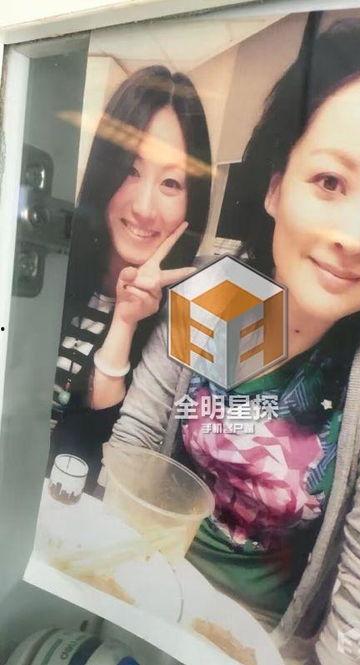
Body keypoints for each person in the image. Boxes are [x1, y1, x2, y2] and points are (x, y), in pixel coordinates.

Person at [104, 9, 360, 665]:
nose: (355, 237)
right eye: (330, 182)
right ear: (275, 187)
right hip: (133, 595)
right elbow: (136, 450)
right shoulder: (227, 294)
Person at [49, 65, 212, 490]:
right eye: (132, 170)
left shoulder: (193, 320)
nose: (144, 208)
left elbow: (110, 461)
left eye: (171, 183)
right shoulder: (51, 267)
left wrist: (125, 323)